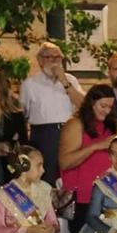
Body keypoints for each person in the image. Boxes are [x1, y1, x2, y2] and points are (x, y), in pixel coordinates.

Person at [60, 84, 117, 226]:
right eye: (103, 106)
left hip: (108, 195)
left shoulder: (112, 125)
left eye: (110, 107)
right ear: (91, 103)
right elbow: (65, 162)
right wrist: (95, 147)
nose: (107, 111)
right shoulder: (75, 124)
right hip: (82, 197)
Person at [21, 41, 84, 176]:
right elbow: (22, 113)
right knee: (46, 175)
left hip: (70, 131)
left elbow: (84, 105)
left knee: (69, 174)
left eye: (58, 57)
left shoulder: (71, 80)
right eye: (50, 57)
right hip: (44, 135)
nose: (55, 61)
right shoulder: (30, 84)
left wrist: (65, 82)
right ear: (40, 60)